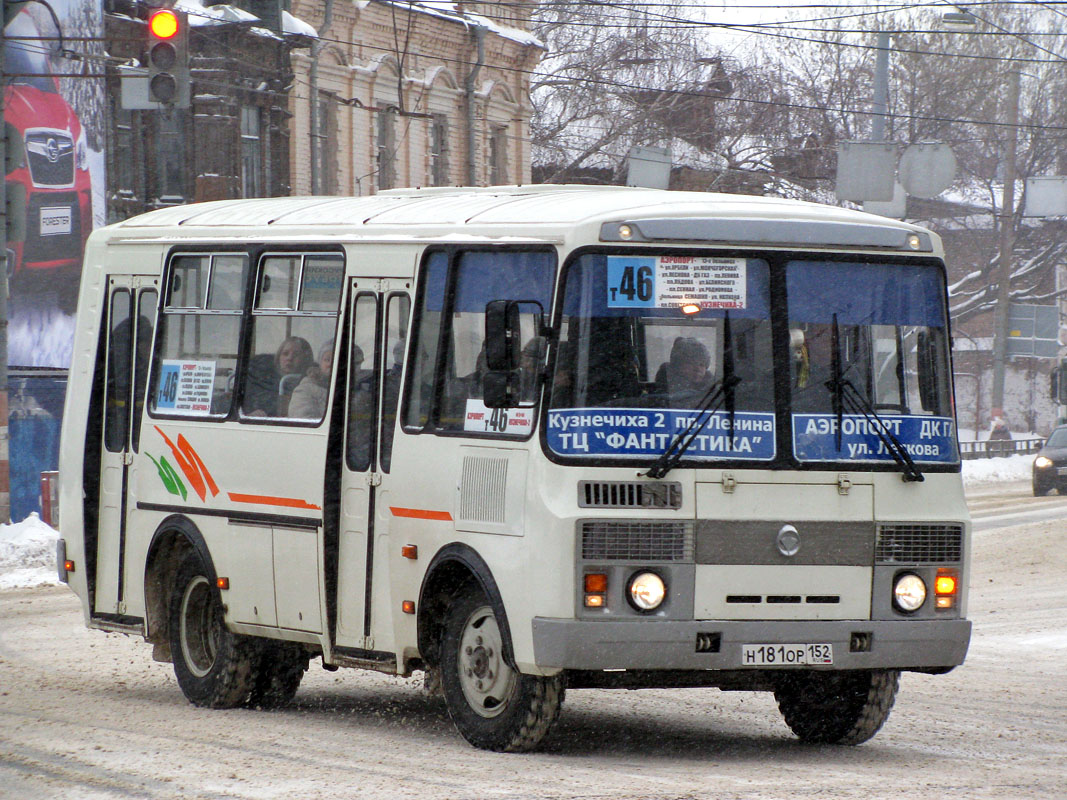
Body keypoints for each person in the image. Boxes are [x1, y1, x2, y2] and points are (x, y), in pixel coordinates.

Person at [289, 340, 340, 420]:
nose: (331, 364)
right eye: (327, 359)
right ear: (320, 364)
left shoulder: (360, 386)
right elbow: (304, 423)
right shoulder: (305, 390)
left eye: (339, 360)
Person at [656, 337, 714, 407]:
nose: (698, 369)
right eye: (692, 363)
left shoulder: (714, 393)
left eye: (702, 364)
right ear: (678, 365)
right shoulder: (662, 395)